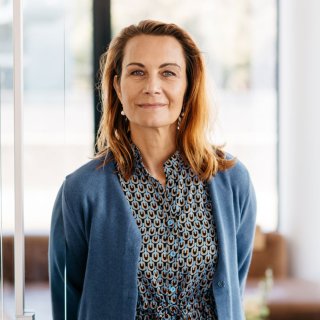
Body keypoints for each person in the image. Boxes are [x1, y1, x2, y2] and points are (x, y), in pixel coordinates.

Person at [49, 20, 257, 320]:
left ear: (188, 87)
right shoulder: (81, 191)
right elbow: (68, 299)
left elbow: (233, 284)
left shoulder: (232, 180)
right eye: (137, 72)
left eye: (168, 73)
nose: (152, 87)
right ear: (117, 87)